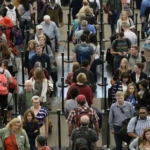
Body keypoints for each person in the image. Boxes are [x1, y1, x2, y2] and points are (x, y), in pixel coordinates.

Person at [0, 59, 12, 124]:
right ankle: (4, 122)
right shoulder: (5, 71)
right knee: (4, 106)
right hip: (4, 92)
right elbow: (11, 81)